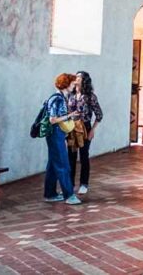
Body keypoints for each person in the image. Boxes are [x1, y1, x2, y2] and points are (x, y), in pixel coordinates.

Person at [43, 73, 81, 205]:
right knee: (63, 164)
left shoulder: (61, 97)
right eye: (72, 83)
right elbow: (53, 120)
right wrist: (69, 115)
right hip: (55, 134)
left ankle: (50, 194)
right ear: (66, 84)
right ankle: (69, 195)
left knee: (53, 165)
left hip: (57, 134)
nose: (74, 86)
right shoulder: (57, 99)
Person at [66, 70, 103, 195]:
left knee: (83, 156)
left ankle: (84, 183)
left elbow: (99, 115)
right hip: (71, 127)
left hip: (85, 128)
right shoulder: (70, 95)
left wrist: (92, 130)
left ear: (84, 80)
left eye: (79, 77)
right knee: (71, 156)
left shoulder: (90, 96)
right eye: (75, 76)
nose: (76, 78)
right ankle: (69, 184)